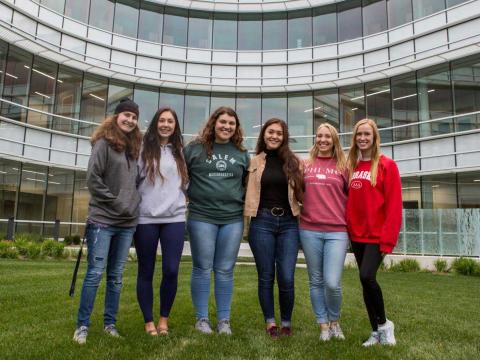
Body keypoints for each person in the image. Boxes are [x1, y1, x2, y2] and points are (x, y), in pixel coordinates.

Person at [73, 98, 142, 345]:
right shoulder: (102, 144)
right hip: (102, 221)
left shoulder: (134, 148)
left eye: (134, 117)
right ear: (116, 117)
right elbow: (93, 180)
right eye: (126, 115)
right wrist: (119, 203)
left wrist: (133, 205)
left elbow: (137, 183)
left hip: (126, 224)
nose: (130, 120)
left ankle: (109, 324)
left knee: (116, 276)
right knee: (95, 274)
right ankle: (82, 326)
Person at [184, 106, 250, 335]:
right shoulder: (193, 149)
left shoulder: (241, 152)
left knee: (224, 270)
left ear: (236, 127)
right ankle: (201, 319)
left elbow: (246, 184)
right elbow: (180, 178)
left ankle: (224, 321)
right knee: (202, 268)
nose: (227, 126)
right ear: (213, 123)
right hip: (202, 217)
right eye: (223, 122)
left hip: (232, 219)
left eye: (231, 123)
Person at [244, 118, 303, 339]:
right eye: (271, 132)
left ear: (284, 136)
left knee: (287, 276)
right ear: (264, 134)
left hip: (289, 223)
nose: (274, 136)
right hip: (262, 222)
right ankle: (270, 323)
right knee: (266, 275)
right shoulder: (254, 162)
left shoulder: (294, 162)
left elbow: (305, 191)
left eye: (279, 133)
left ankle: (286, 322)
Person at [346, 118, 402, 346]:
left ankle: (385, 325)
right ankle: (376, 332)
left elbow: (394, 206)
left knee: (367, 276)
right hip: (356, 235)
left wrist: (388, 240)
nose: (362, 138)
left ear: (375, 137)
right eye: (359, 134)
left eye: (367, 134)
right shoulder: (352, 166)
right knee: (365, 282)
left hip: (377, 236)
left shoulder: (387, 165)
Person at [134, 107, 188, 336]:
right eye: (162, 120)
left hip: (174, 219)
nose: (166, 124)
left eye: (170, 121)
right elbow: (134, 180)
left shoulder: (180, 152)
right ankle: (148, 322)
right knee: (146, 270)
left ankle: (163, 320)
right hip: (146, 218)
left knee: (171, 270)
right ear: (156, 123)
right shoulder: (142, 149)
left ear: (175, 126)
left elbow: (186, 183)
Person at [299, 123, 349, 341]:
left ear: (334, 139)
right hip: (309, 229)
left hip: (337, 231)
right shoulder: (305, 164)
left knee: (332, 282)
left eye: (327, 136)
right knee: (315, 280)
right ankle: (323, 326)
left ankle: (335, 321)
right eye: (319, 136)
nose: (323, 140)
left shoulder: (344, 166)